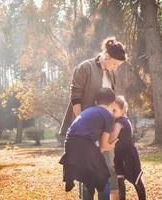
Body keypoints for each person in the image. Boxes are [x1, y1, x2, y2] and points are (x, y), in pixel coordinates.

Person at [59, 36, 127, 200]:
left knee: (106, 164)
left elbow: (112, 100)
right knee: (87, 167)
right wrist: (81, 122)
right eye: (114, 64)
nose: (115, 68)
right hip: (85, 130)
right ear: (106, 56)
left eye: (118, 66)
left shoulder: (111, 74)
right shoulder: (85, 67)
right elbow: (75, 97)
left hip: (103, 127)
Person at [59, 88, 118, 200]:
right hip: (83, 143)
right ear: (113, 103)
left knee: (88, 176)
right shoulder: (107, 115)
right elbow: (104, 146)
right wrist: (113, 145)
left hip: (69, 142)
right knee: (104, 178)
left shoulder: (89, 110)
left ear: (96, 102)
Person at [110, 96, 146, 200]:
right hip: (120, 155)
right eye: (110, 110)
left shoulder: (120, 122)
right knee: (119, 179)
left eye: (114, 110)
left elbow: (111, 138)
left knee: (135, 179)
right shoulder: (121, 120)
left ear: (122, 111)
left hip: (128, 154)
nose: (112, 113)